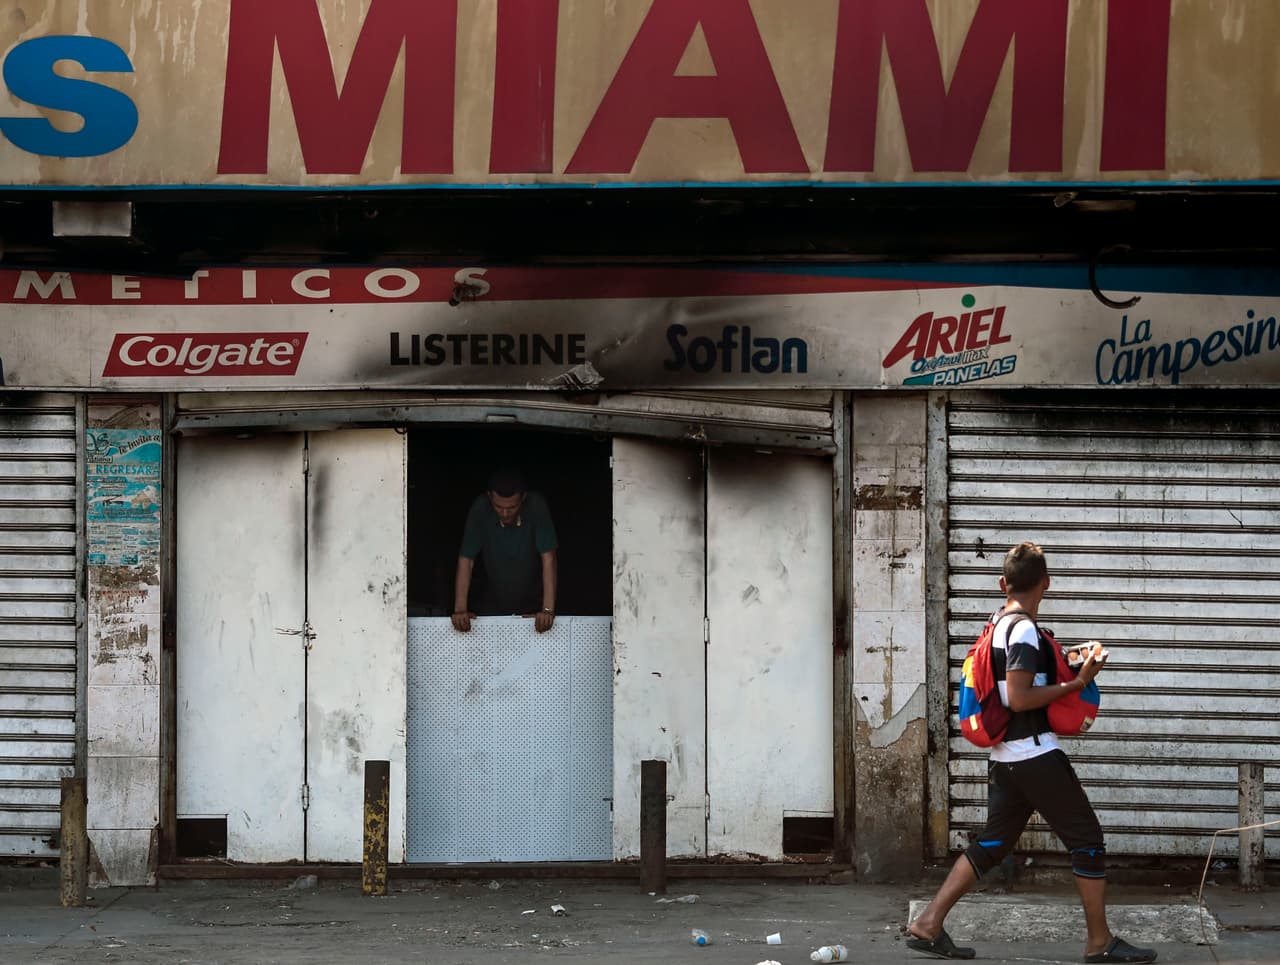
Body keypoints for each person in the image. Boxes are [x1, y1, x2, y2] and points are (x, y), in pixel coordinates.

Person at [905, 541, 1156, 964]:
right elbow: (1019, 698)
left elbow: (1016, 682)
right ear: (1047, 583)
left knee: (993, 843)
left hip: (1007, 758)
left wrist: (1074, 662)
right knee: (1088, 840)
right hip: (1034, 755)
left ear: (1003, 584)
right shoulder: (1022, 630)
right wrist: (1078, 685)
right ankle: (1100, 943)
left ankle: (928, 923)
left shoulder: (999, 623)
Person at [451, 468, 558, 633]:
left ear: (523, 498)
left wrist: (547, 611)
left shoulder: (536, 505)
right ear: (489, 497)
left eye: (512, 508)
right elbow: (467, 560)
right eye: (498, 507)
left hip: (532, 604)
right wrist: (460, 610)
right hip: (490, 603)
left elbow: (548, 558)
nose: (505, 513)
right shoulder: (480, 508)